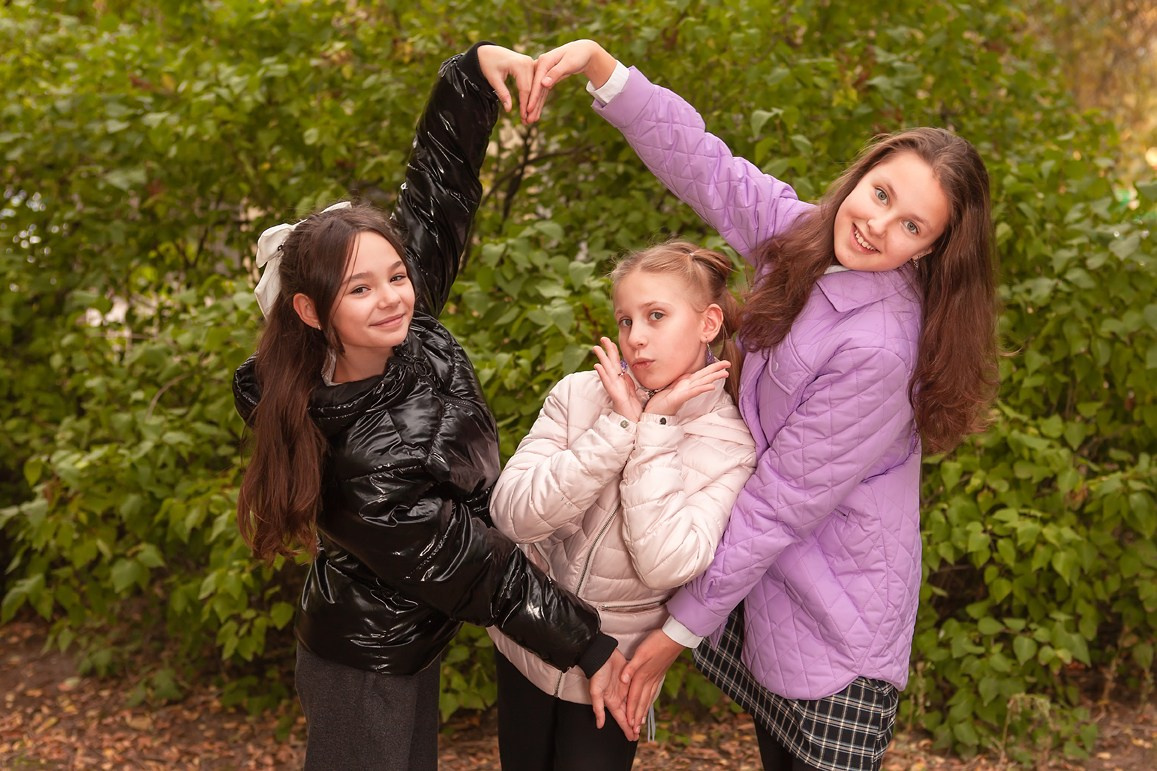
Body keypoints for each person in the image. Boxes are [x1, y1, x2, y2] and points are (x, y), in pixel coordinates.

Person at [523, 40, 999, 771]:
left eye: (911, 225)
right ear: (861, 176)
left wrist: (673, 634)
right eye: (880, 193)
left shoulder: (880, 346)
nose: (877, 225)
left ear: (930, 251)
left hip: (836, 613)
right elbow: (706, 164)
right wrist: (602, 70)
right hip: (763, 582)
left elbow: (780, 500)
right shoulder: (801, 241)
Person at [232, 43, 628, 771]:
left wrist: (469, 77)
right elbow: (475, 566)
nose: (389, 295)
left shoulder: (399, 334)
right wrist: (588, 644)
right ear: (311, 311)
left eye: (394, 275)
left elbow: (434, 199)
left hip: (407, 640)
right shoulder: (356, 458)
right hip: (365, 668)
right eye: (359, 288)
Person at [486, 240, 757, 770]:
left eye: (656, 316)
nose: (636, 338)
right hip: (528, 639)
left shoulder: (731, 445)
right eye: (625, 319)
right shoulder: (580, 395)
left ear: (709, 323)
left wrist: (654, 432)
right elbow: (511, 514)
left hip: (615, 668)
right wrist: (616, 429)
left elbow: (666, 565)